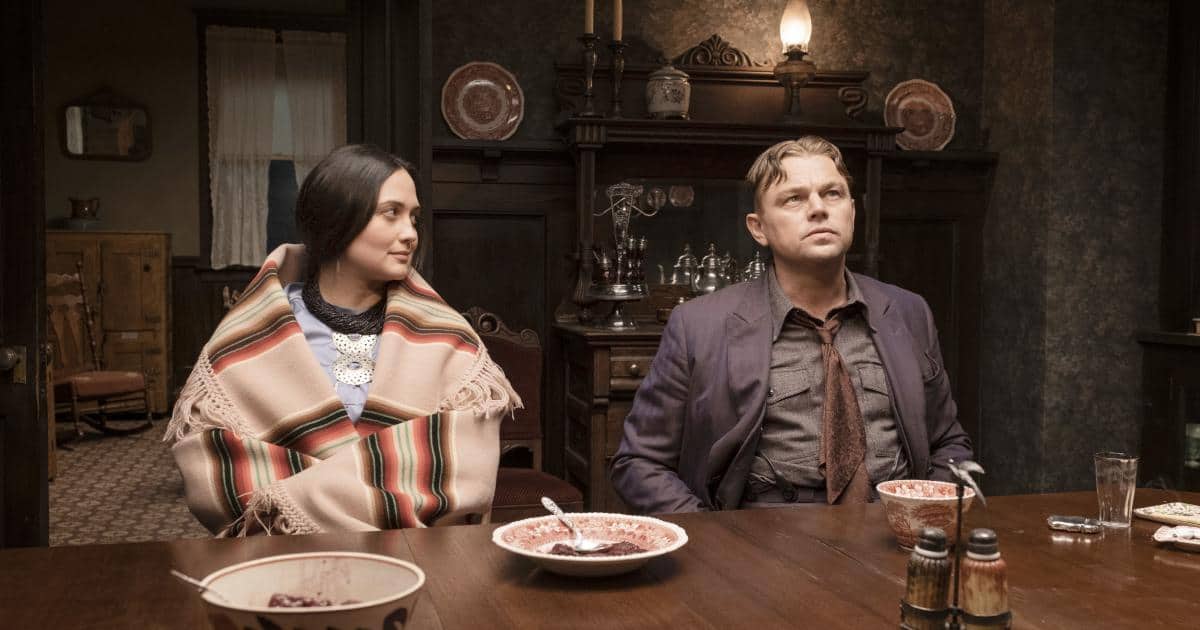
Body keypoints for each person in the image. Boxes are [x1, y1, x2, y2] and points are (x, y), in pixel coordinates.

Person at [166, 144, 519, 535]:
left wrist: (303, 495)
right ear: (338, 218)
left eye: (414, 218)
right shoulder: (255, 334)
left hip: (415, 552)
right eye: (391, 213)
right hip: (282, 552)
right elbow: (218, 470)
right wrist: (367, 491)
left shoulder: (446, 338)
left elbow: (464, 468)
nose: (410, 234)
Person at [609, 136, 972, 514]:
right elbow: (638, 462)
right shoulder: (698, 326)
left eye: (832, 193)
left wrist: (923, 518)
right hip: (759, 542)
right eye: (794, 199)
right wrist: (714, 536)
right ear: (759, 228)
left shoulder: (908, 313)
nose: (818, 209)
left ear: (851, 212)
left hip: (891, 533)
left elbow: (949, 444)